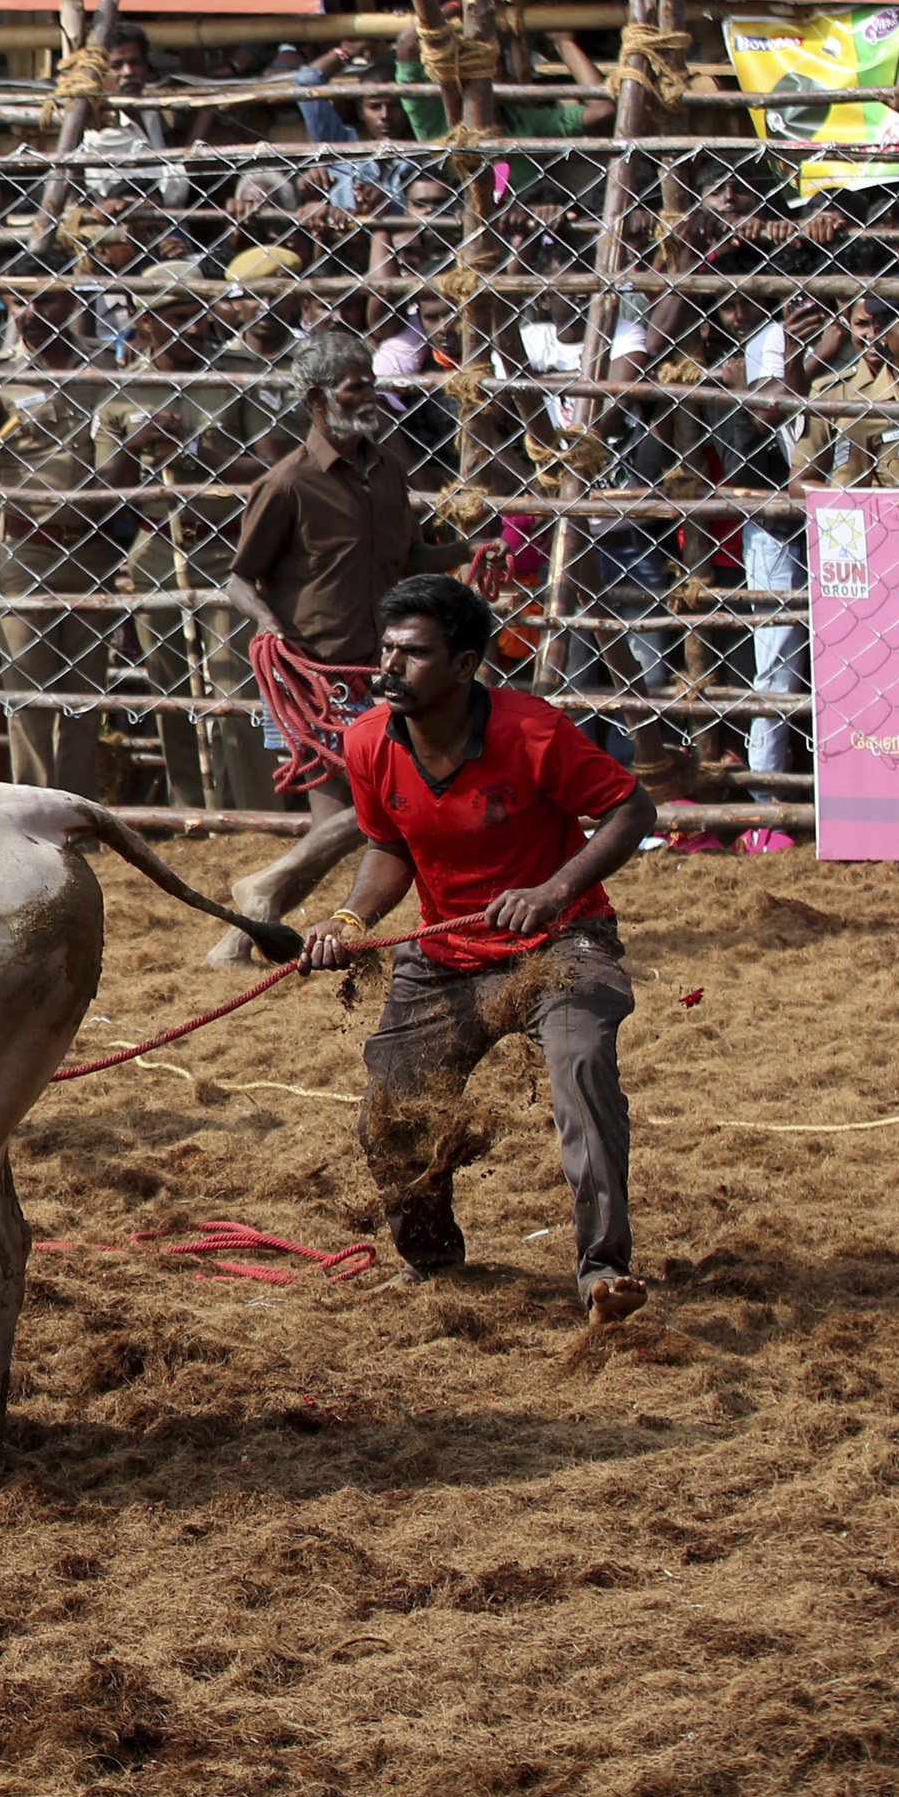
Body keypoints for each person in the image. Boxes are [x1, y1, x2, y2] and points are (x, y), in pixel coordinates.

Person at [296, 572, 657, 1328]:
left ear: (464, 666)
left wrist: (555, 891)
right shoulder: (368, 742)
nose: (388, 668)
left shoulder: (534, 731)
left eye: (413, 654)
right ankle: (431, 1262)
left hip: (561, 943)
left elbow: (630, 807)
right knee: (391, 1107)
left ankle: (603, 1270)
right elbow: (387, 847)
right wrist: (349, 919)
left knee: (581, 1068)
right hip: (447, 953)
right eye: (386, 650)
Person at [212, 327, 510, 959]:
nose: (370, 395)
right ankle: (282, 923)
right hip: (310, 676)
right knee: (352, 819)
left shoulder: (387, 471)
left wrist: (470, 550)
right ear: (318, 398)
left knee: (369, 816)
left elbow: (410, 558)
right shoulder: (289, 483)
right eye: (356, 387)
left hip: (382, 670)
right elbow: (239, 578)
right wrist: (267, 622)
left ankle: (256, 924)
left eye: (372, 383)